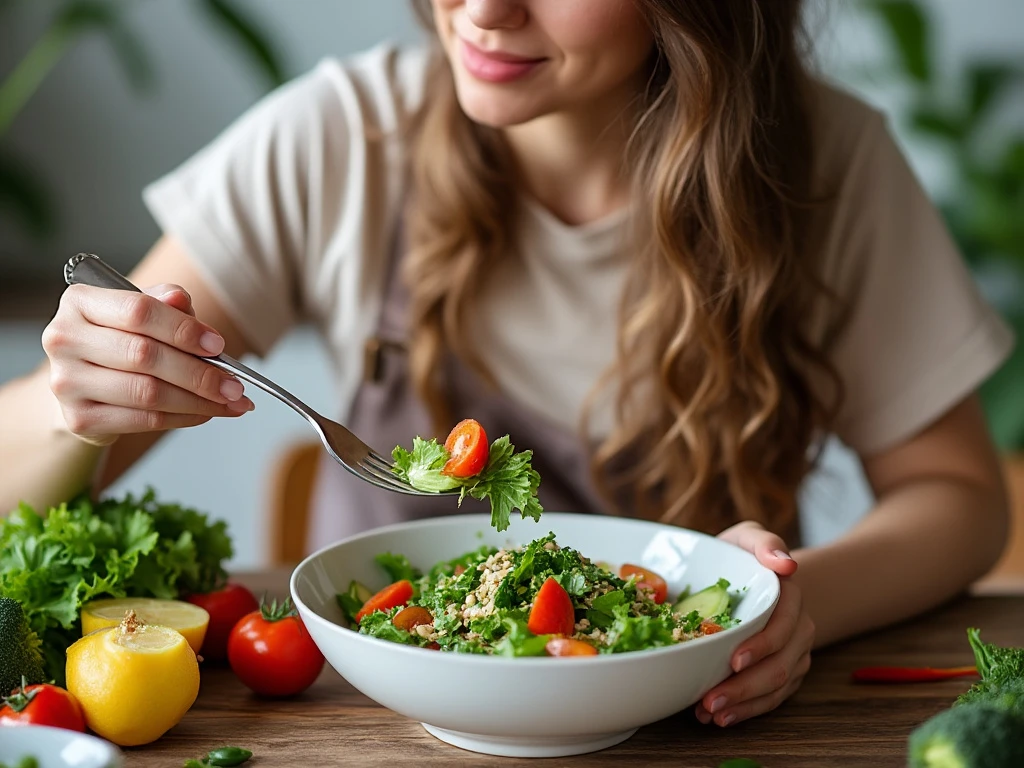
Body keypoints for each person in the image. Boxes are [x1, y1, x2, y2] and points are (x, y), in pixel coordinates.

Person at [0, 0, 1013, 729]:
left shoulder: (828, 167)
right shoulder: (340, 140)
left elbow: (957, 495)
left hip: (701, 731)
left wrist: (797, 603)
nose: (483, 12)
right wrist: (73, 405)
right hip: (365, 740)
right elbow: (20, 486)